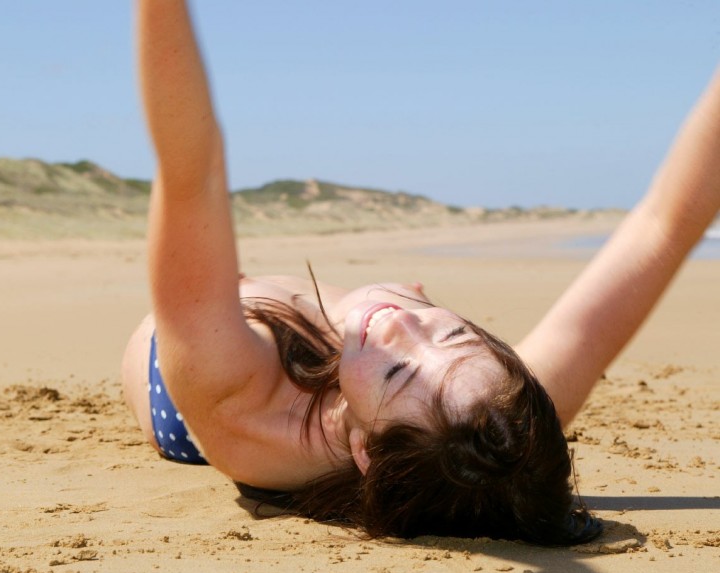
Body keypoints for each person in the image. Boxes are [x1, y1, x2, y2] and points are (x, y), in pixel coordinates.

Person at [122, 0, 720, 545]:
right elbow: (665, 226)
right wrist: (405, 370)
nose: (401, 325)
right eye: (454, 333)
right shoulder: (497, 418)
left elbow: (191, 170)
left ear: (364, 450)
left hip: (185, 375)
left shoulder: (235, 390)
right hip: (351, 384)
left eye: (399, 373)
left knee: (232, 288)